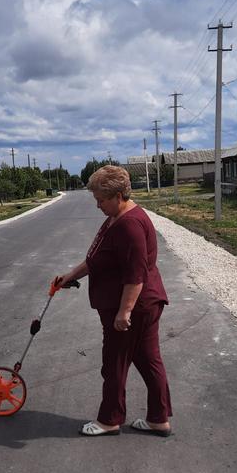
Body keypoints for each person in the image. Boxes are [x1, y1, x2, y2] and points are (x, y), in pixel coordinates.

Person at [54, 165, 172, 437]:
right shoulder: (117, 217)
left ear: (118, 196)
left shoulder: (129, 225)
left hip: (133, 308)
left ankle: (110, 419)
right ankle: (158, 419)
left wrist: (124, 312)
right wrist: (71, 275)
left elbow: (135, 275)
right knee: (148, 360)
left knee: (115, 363)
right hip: (143, 305)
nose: (97, 206)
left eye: (101, 200)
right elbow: (100, 258)